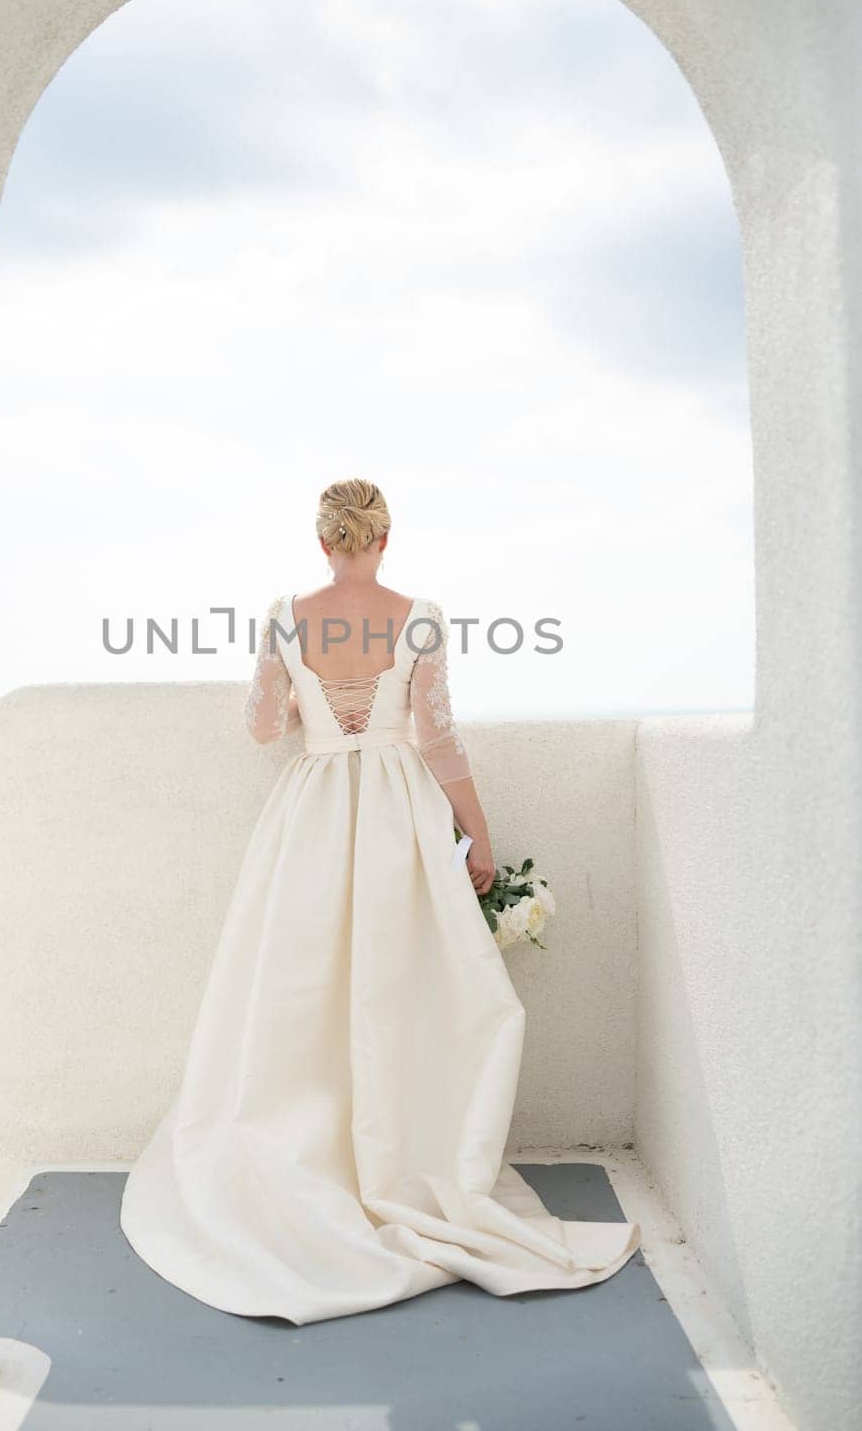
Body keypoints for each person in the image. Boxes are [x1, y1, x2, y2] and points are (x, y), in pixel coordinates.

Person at [119, 477, 641, 1323]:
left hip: (314, 810)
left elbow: (259, 726)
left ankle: (310, 1152)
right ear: (383, 539)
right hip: (399, 809)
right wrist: (477, 834)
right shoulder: (419, 612)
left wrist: (302, 699)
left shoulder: (285, 613)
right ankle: (400, 1147)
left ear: (321, 540)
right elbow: (435, 734)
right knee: (408, 984)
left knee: (301, 987)